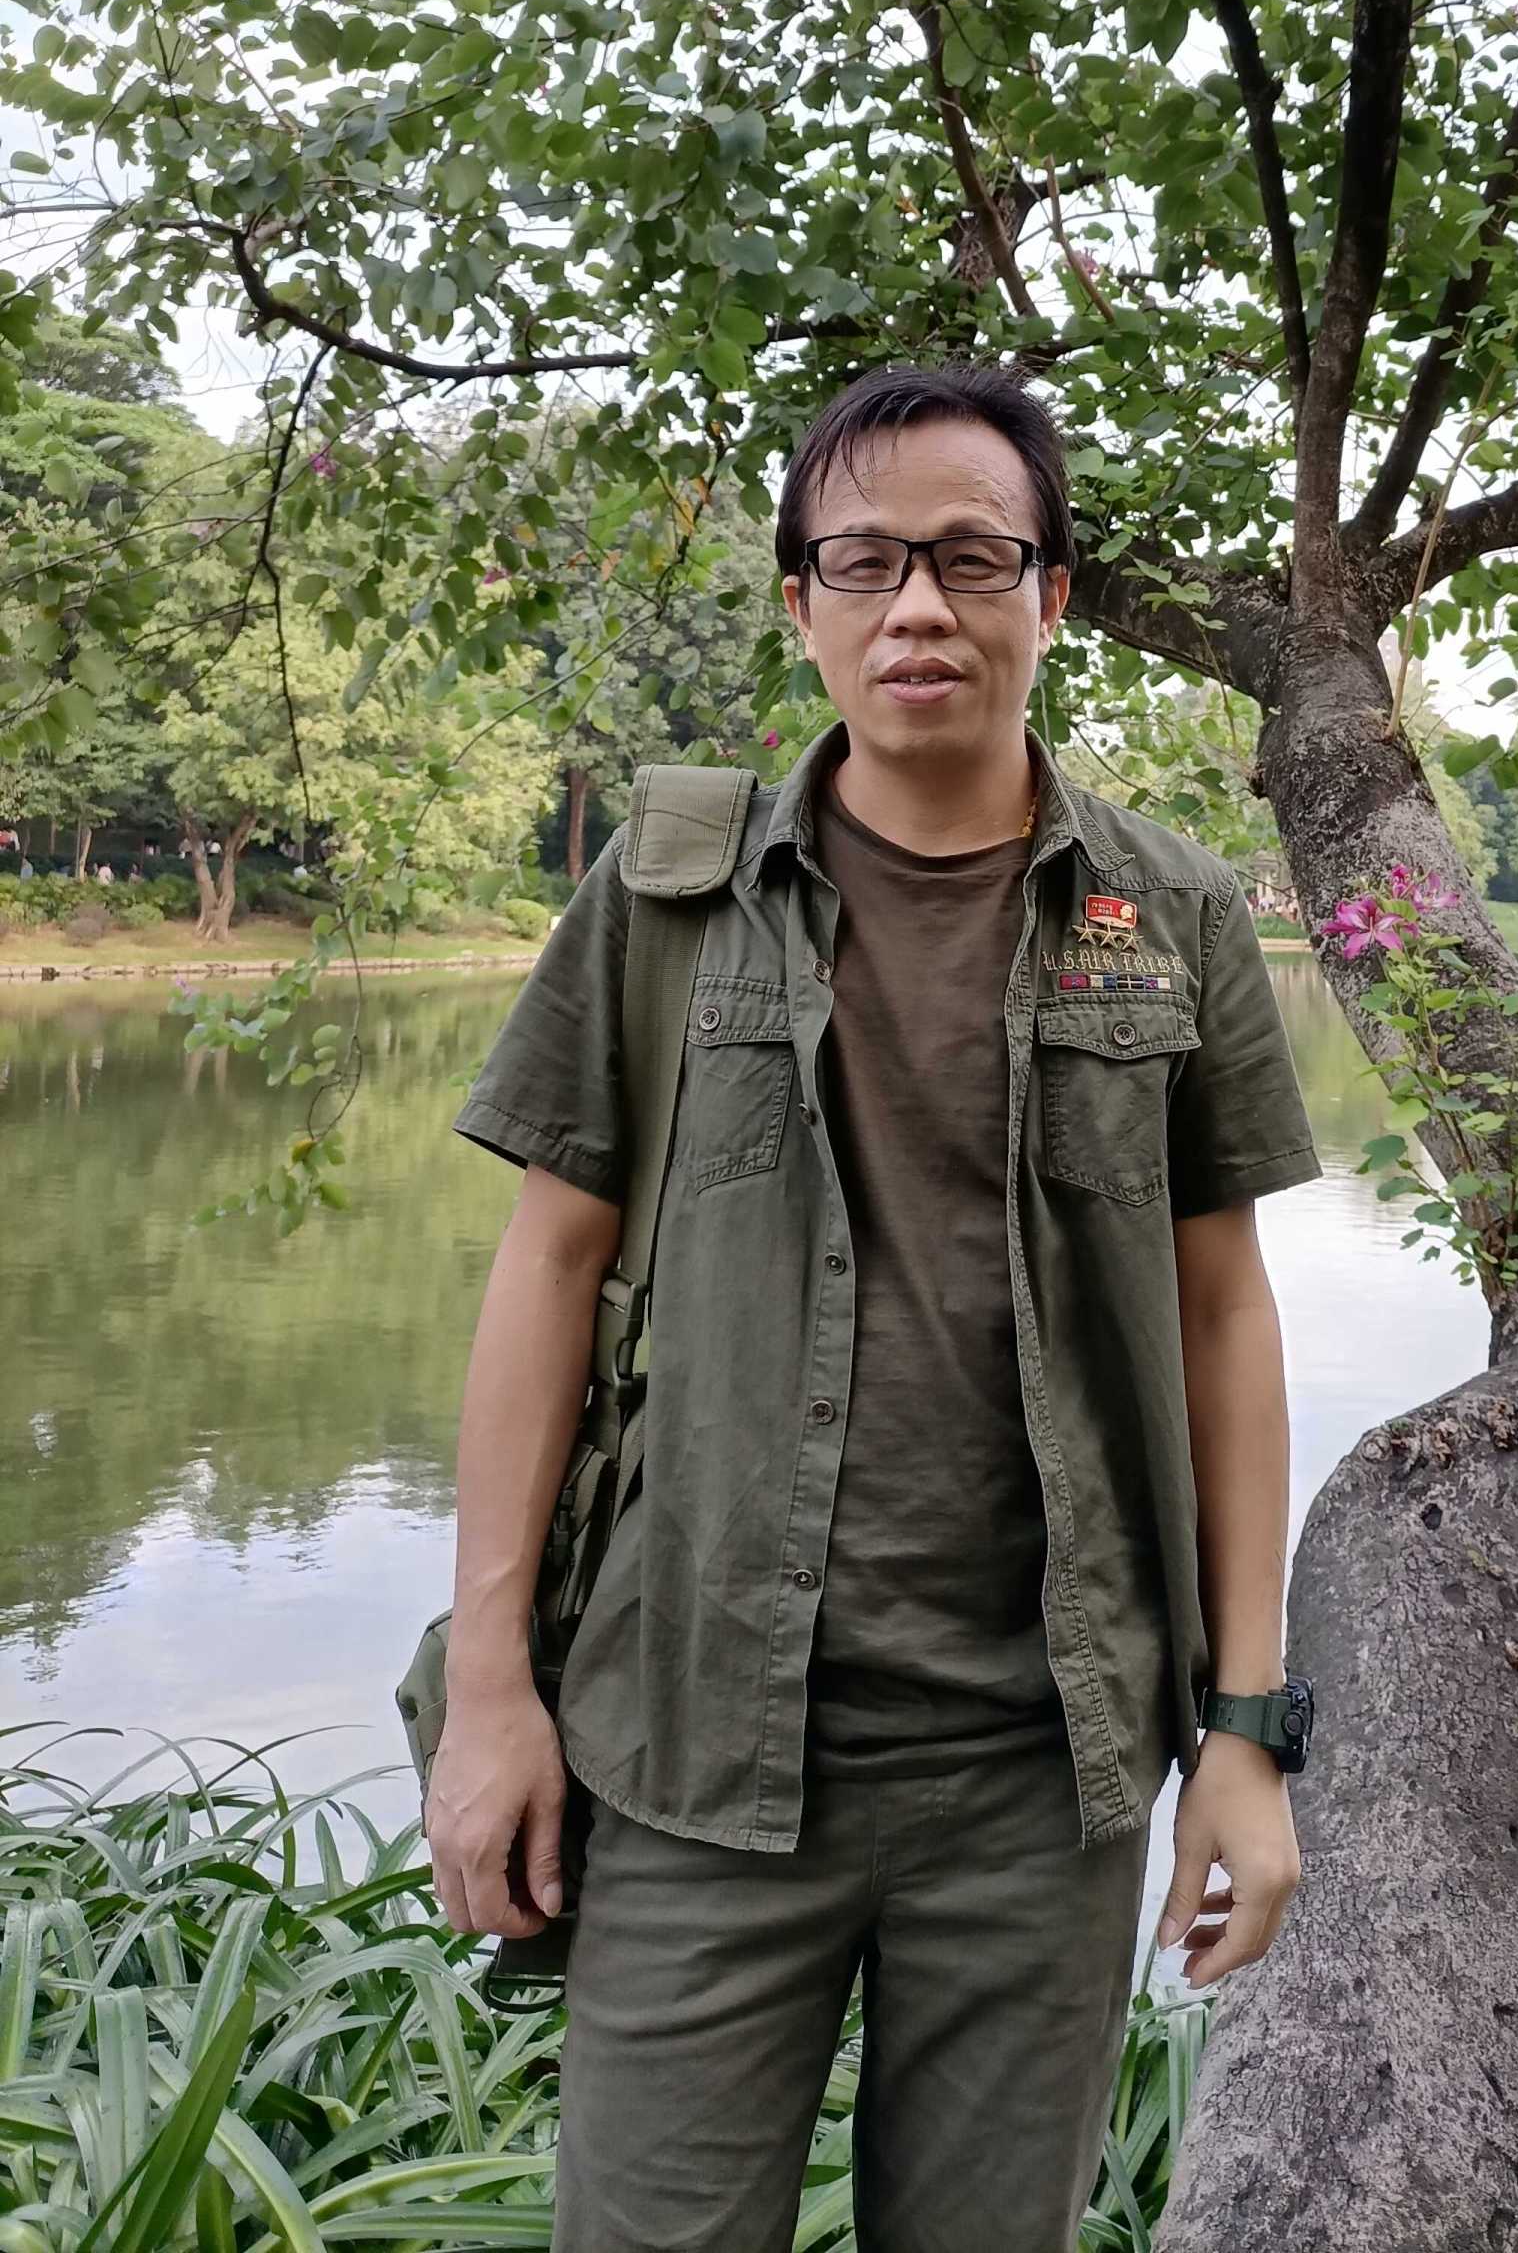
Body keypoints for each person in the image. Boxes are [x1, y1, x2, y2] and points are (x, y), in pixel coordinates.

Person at [428, 363, 1325, 2253]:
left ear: (1049, 597)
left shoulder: (1171, 915)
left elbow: (1223, 1323)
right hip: (691, 1746)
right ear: (802, 605)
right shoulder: (665, 902)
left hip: (1039, 1773)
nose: (919, 605)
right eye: (864, 561)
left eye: (971, 558)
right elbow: (545, 1275)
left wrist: (1240, 1729)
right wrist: (490, 1692)